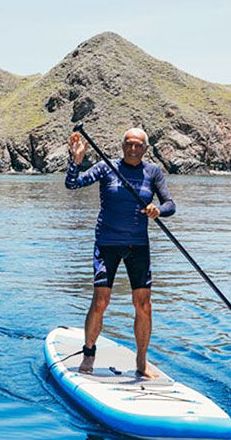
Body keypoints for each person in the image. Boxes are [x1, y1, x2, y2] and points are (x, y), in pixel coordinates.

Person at [66, 127, 175, 378]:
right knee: (101, 301)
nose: (133, 149)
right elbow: (72, 184)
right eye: (129, 144)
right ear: (122, 146)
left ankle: (141, 360)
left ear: (146, 149)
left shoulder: (153, 172)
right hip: (107, 244)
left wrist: (158, 210)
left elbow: (170, 204)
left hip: (139, 245)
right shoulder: (107, 168)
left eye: (138, 145)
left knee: (143, 305)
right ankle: (89, 353)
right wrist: (77, 161)